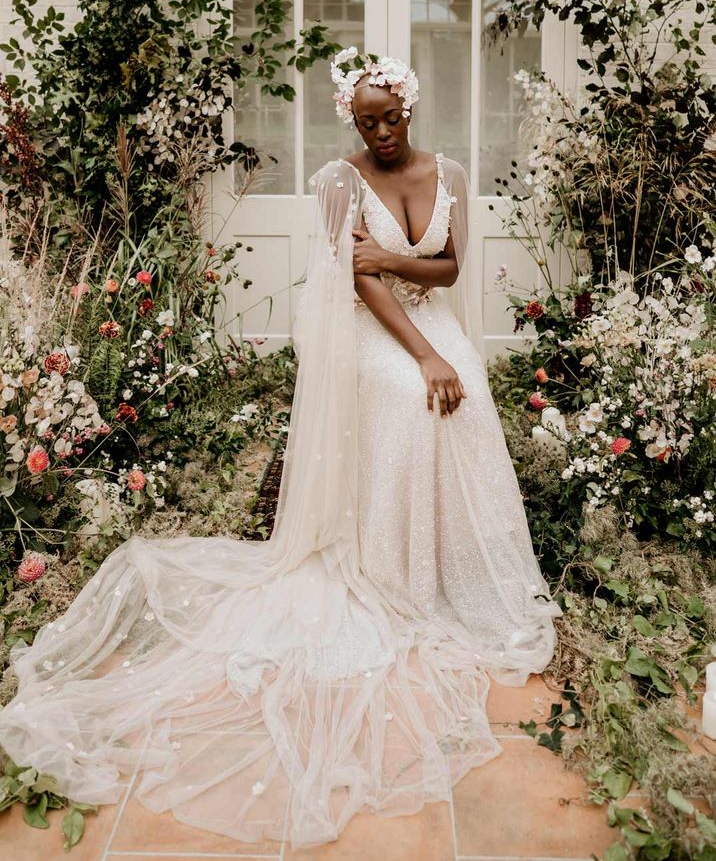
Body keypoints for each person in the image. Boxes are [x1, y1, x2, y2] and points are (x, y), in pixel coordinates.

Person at [0, 50, 562, 852]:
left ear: (410, 107)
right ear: (352, 121)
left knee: (467, 385)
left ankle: (457, 557)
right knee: (414, 392)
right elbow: (357, 285)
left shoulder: (451, 172)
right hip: (375, 335)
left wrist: (403, 275)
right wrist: (419, 353)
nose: (380, 133)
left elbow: (447, 268)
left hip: (426, 315)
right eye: (366, 123)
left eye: (391, 118)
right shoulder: (339, 181)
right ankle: (387, 560)